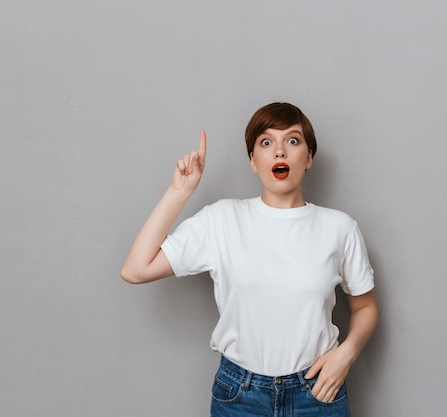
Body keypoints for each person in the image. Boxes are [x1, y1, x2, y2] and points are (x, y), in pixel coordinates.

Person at [121, 102, 379, 417]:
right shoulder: (222, 219)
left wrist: (346, 355)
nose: (280, 151)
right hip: (240, 396)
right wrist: (180, 192)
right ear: (253, 160)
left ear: (308, 157)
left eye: (293, 141)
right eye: (266, 142)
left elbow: (365, 307)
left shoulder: (339, 228)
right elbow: (136, 269)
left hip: (317, 392)